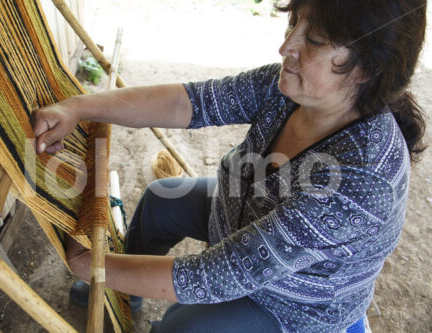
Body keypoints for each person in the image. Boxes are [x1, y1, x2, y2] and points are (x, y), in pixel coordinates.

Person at [31, 0, 427, 332]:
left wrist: (93, 265)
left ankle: (116, 285)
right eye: (294, 24)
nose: (286, 46)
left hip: (289, 304)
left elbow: (218, 274)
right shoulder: (287, 88)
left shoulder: (363, 181)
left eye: (315, 40)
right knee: (160, 200)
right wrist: (79, 107)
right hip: (238, 217)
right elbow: (191, 102)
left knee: (180, 327)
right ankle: (124, 296)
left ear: (366, 70)